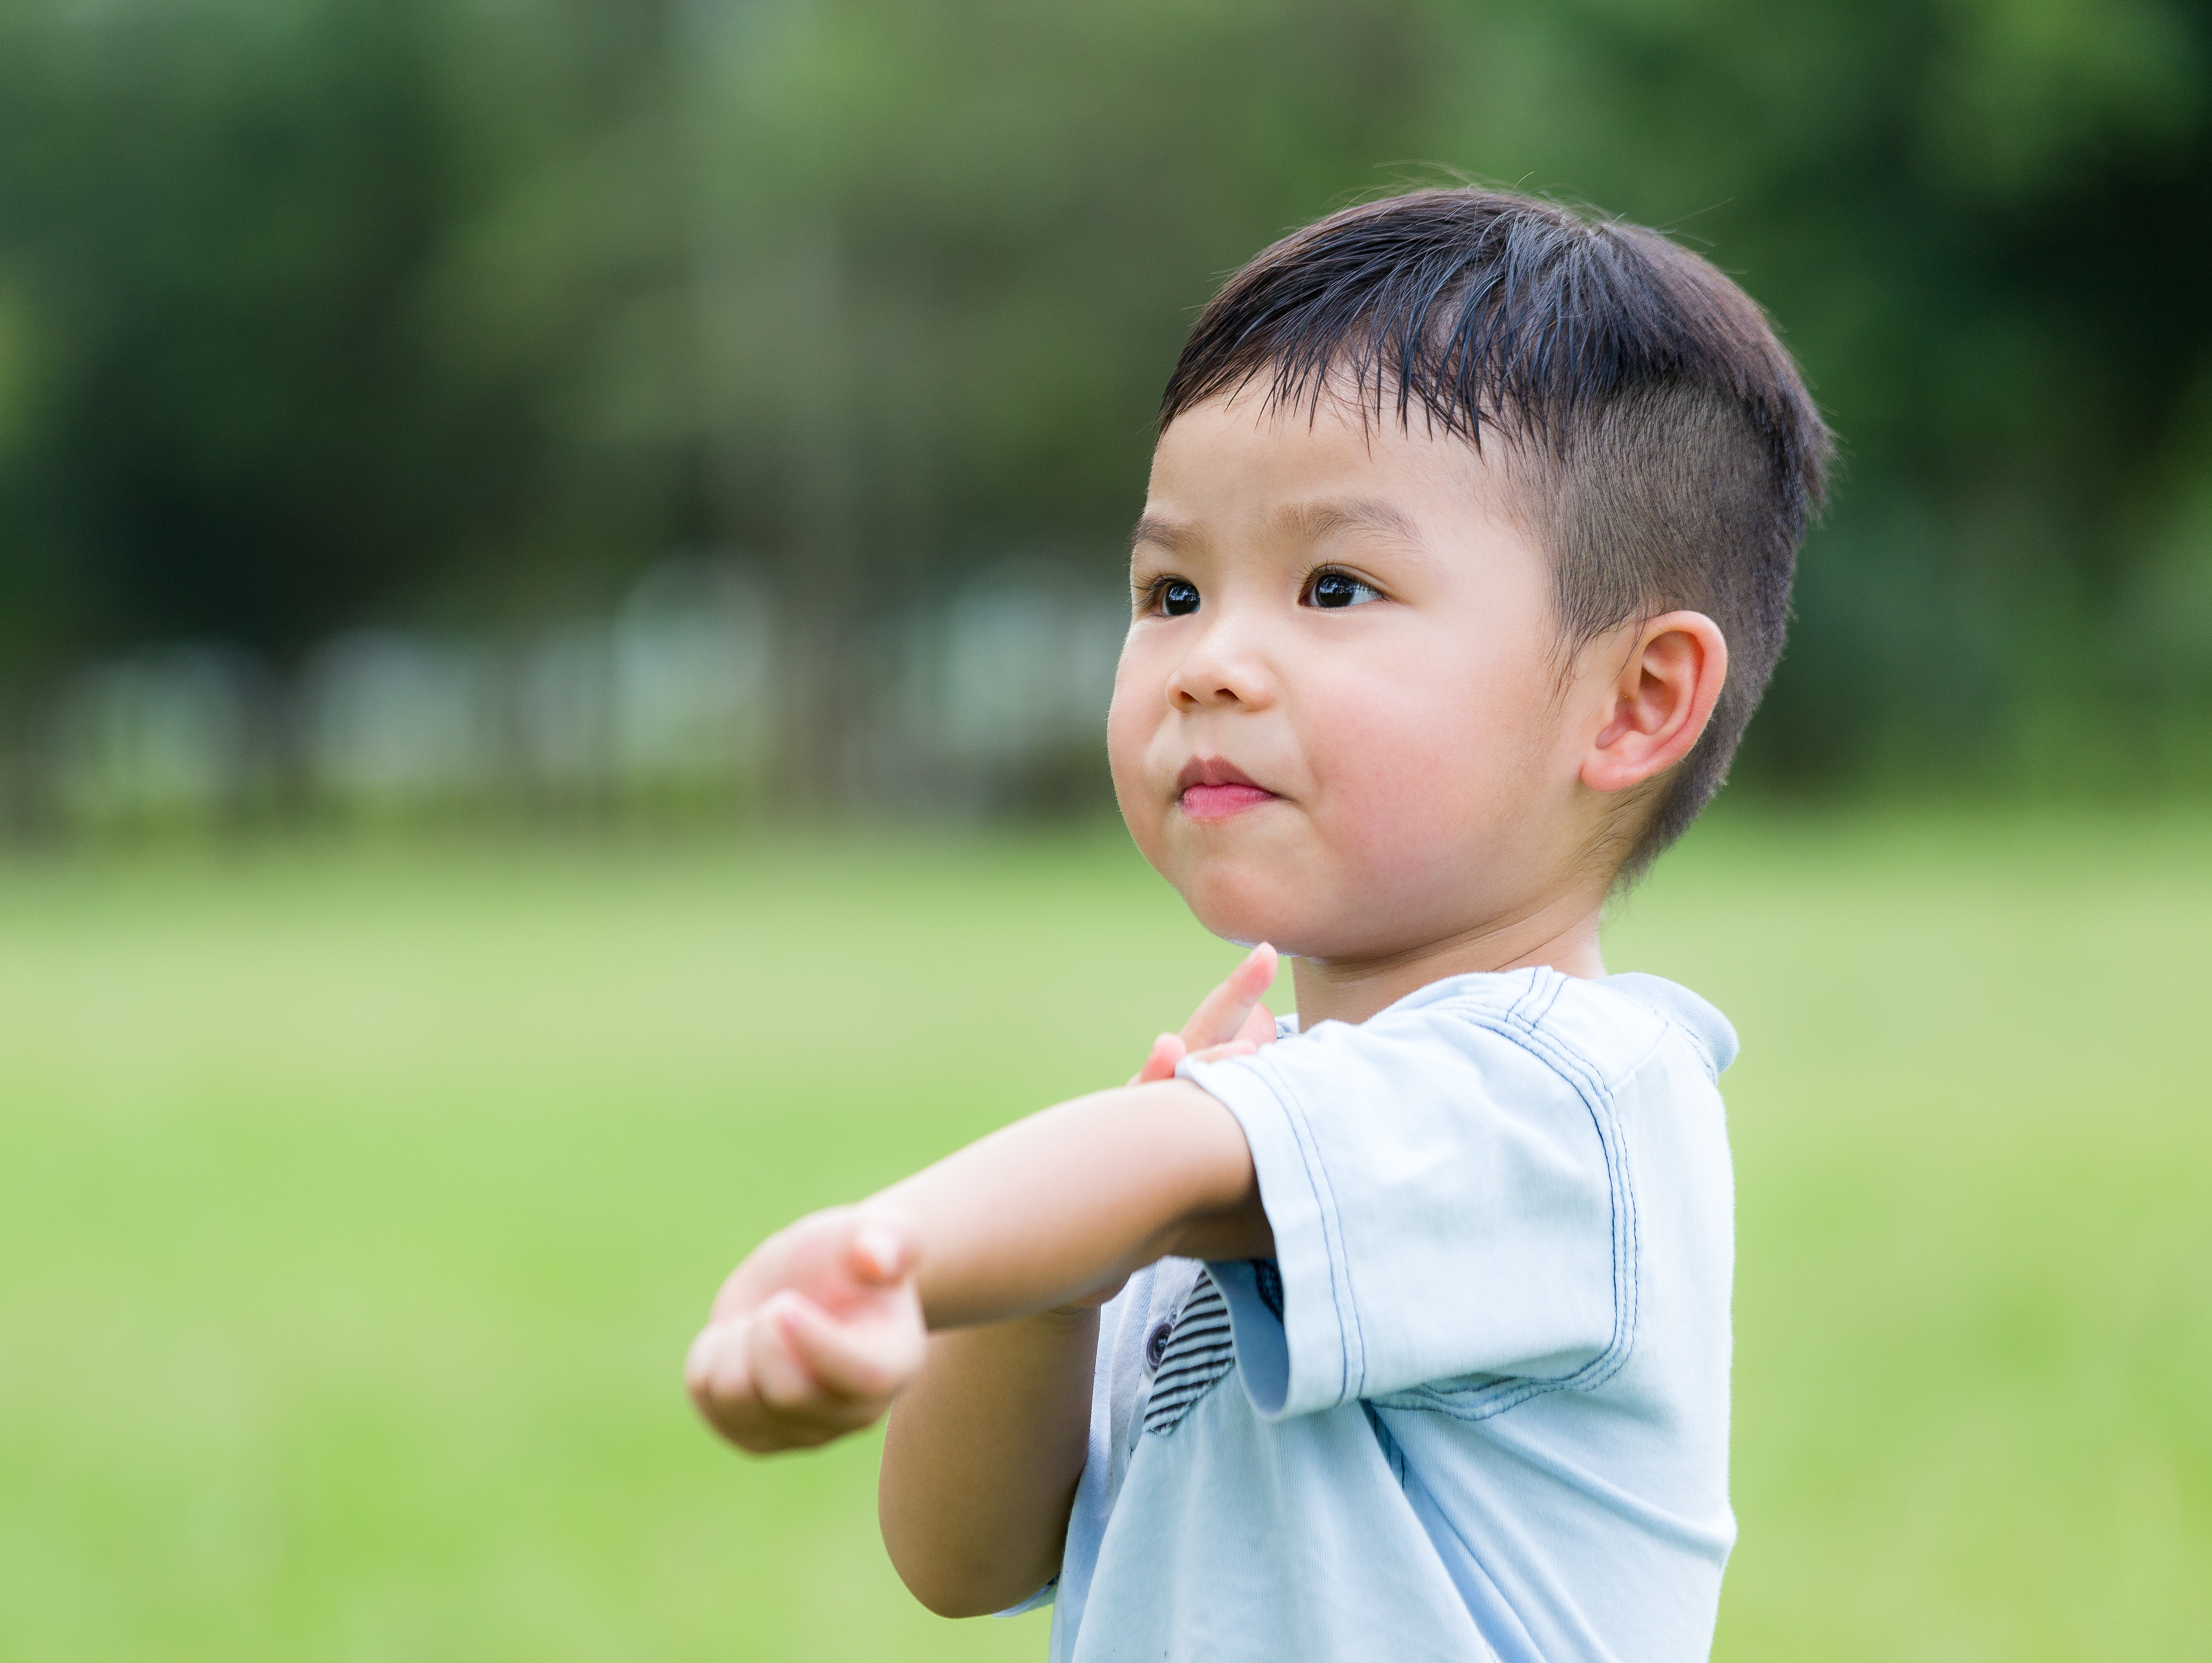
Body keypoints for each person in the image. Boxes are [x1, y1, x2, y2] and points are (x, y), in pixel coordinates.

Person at [682, 188, 1833, 1661]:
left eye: (1335, 585)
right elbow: (964, 1557)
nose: (1210, 661)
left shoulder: (1574, 1099)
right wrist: (1043, 1284)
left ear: (1635, 701)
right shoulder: (1239, 1136)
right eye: (1170, 590)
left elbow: (1159, 1171)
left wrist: (882, 1248)